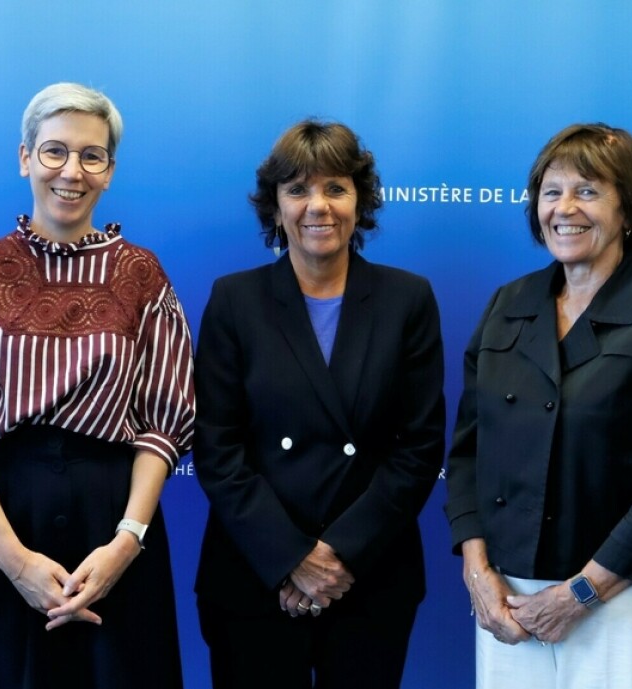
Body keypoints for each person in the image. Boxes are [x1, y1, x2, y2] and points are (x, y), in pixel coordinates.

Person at [0, 82, 194, 689]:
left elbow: (163, 423)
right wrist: (12, 560)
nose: (72, 171)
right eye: (54, 151)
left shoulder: (143, 276)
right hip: (0, 523)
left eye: (91, 156)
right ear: (24, 158)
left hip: (116, 525)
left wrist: (127, 542)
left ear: (110, 171)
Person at [444, 123, 632, 689]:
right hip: (510, 602)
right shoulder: (509, 303)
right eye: (552, 193)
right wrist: (477, 572)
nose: (564, 208)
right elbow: (468, 451)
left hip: (628, 595)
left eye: (588, 190)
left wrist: (582, 592)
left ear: (629, 209)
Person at [193, 119, 446, 689]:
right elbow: (217, 447)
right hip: (255, 577)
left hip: (369, 576)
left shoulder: (407, 299)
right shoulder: (235, 300)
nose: (318, 207)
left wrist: (336, 557)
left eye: (336, 188)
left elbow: (420, 446)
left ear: (361, 201)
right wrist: (291, 558)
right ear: (275, 205)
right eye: (298, 189)